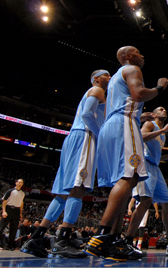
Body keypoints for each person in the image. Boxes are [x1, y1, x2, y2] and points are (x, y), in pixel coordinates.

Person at [83, 46, 168, 262]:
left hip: (109, 127)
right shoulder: (132, 69)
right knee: (129, 178)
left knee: (123, 184)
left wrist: (140, 114)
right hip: (124, 124)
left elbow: (126, 102)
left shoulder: (112, 82)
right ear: (128, 56)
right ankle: (101, 236)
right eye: (139, 52)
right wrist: (159, 88)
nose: (143, 55)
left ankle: (113, 239)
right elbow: (139, 94)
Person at [21, 69, 110, 259]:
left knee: (62, 194)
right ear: (96, 78)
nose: (109, 78)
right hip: (85, 137)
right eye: (106, 75)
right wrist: (100, 136)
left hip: (73, 138)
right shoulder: (97, 90)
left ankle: (35, 238)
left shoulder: (94, 94)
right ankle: (62, 240)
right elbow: (87, 115)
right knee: (78, 189)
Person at [126, 106, 168, 256]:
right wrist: (162, 130)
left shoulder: (163, 136)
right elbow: (140, 137)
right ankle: (128, 241)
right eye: (161, 109)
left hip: (155, 167)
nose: (165, 110)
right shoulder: (150, 124)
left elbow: (156, 157)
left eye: (165, 109)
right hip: (144, 165)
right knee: (145, 201)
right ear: (154, 114)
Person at [0, 179, 25, 250]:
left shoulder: (22, 193)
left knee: (13, 229)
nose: (20, 183)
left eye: (21, 183)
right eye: (19, 182)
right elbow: (4, 201)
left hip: (16, 211)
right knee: (1, 227)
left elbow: (21, 203)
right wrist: (4, 211)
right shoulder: (10, 191)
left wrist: (20, 213)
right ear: (16, 183)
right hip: (9, 209)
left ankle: (9, 245)